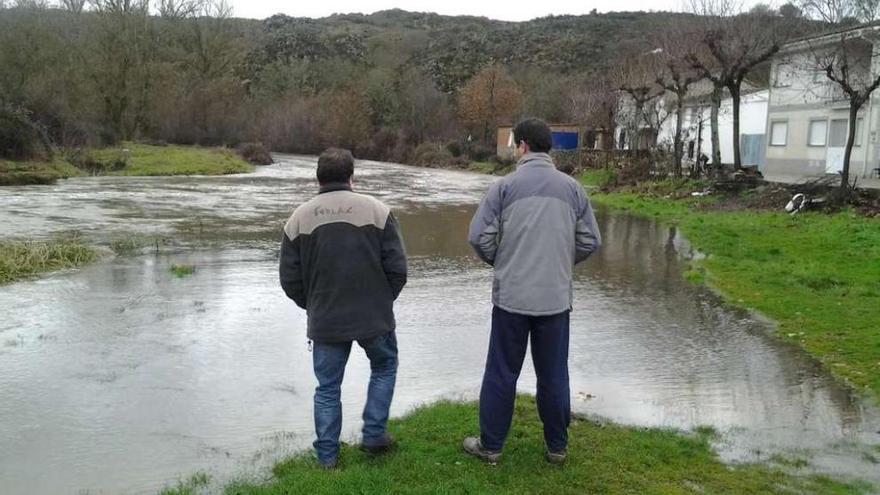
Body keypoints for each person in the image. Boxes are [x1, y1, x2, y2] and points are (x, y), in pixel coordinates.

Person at [464, 118, 601, 465]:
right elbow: (591, 240)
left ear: (522, 145)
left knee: (501, 372)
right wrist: (559, 263)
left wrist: (503, 261)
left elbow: (478, 237)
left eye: (514, 145)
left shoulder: (503, 188)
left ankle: (491, 446)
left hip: (512, 298)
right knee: (554, 373)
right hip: (555, 300)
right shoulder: (573, 189)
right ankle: (557, 447)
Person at [279, 148, 407, 469]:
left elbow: (289, 279)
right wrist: (381, 300)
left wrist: (313, 305)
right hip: (373, 316)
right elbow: (398, 269)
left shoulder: (298, 218)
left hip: (325, 319)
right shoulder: (378, 211)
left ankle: (327, 459)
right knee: (384, 366)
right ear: (352, 177)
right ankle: (374, 435)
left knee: (327, 388)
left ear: (318, 178)